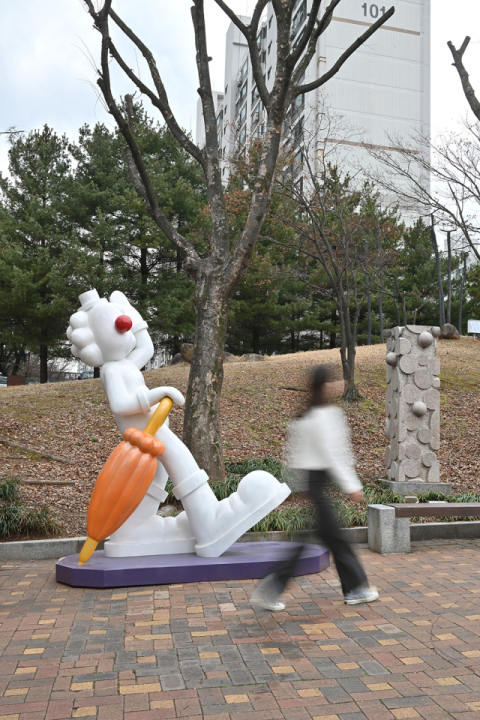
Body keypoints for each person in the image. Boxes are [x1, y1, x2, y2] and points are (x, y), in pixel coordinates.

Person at [250, 364, 378, 611]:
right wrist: (352, 486)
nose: (335, 386)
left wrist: (302, 488)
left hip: (313, 486)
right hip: (320, 484)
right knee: (337, 540)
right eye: (331, 381)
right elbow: (335, 455)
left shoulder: (304, 415)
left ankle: (273, 587)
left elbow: (293, 454)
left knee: (317, 542)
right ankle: (355, 589)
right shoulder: (327, 416)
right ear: (324, 386)